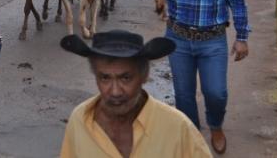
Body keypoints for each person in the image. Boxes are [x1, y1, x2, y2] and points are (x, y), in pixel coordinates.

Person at [136, 0, 249, 154]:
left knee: (216, 92)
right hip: (178, 39)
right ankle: (192, 133)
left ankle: (215, 125)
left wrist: (241, 38)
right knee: (183, 94)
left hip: (213, 41)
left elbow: (238, 4)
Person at [59, 30, 211, 158]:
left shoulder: (178, 128)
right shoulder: (79, 121)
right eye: (105, 78)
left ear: (144, 76)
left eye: (125, 78)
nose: (115, 91)